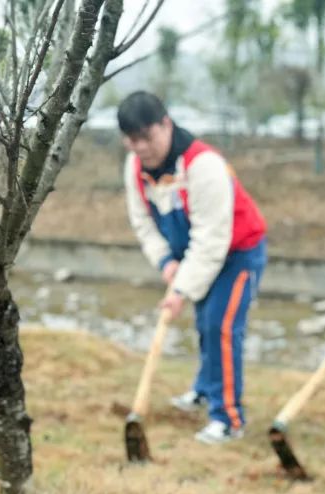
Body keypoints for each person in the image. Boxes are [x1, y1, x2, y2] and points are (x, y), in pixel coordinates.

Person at [120, 91, 267, 444]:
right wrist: (166, 262)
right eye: (132, 139)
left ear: (166, 125)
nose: (141, 147)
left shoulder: (204, 166)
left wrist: (181, 289)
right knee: (204, 323)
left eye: (147, 136)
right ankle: (204, 389)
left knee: (221, 326)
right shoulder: (135, 168)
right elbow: (142, 221)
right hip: (191, 254)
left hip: (236, 252)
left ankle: (228, 418)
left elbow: (212, 237)